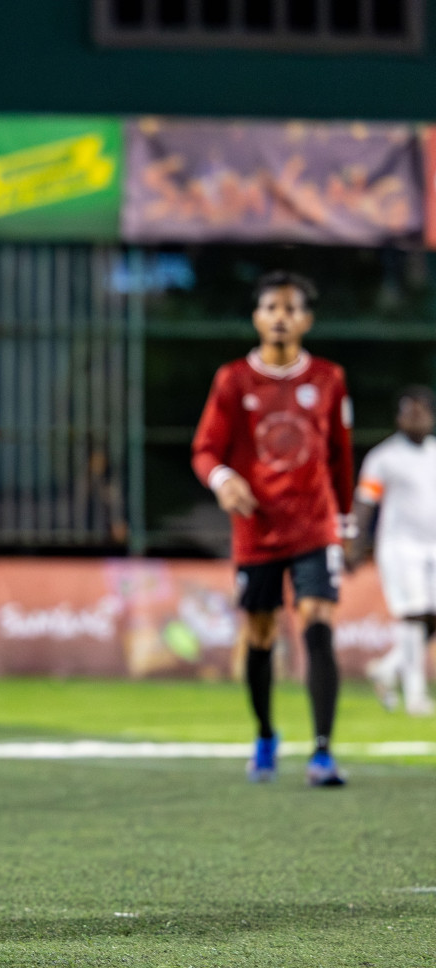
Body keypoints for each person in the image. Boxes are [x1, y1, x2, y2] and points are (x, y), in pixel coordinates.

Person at [191, 270, 354, 787]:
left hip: (314, 525)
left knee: (318, 619)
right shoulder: (233, 380)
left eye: (290, 309)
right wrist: (222, 479)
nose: (280, 318)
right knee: (260, 633)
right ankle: (265, 734)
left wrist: (344, 521)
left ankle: (323, 753)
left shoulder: (329, 378)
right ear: (256, 318)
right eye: (270, 308)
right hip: (256, 528)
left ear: (306, 320)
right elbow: (204, 449)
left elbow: (340, 456)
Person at [349, 385, 436, 716]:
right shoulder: (383, 457)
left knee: (430, 617)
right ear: (399, 417)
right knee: (413, 614)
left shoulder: (434, 452)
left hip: (433, 545)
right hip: (401, 546)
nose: (417, 418)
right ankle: (415, 694)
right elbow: (365, 502)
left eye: (422, 411)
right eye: (409, 411)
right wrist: (356, 543)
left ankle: (387, 669)